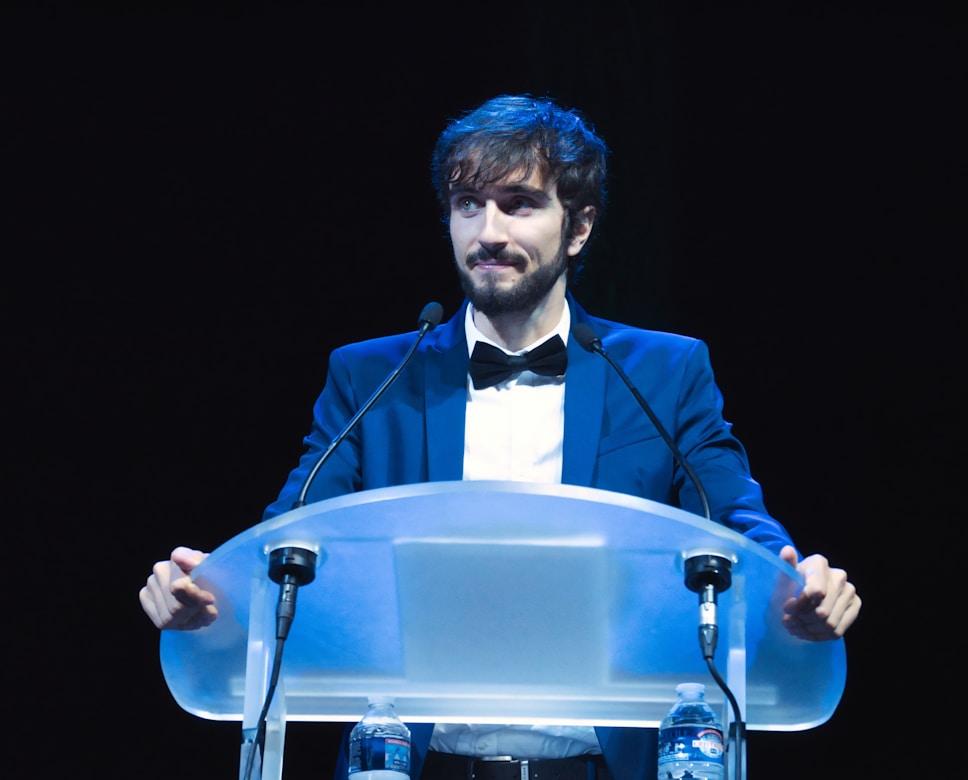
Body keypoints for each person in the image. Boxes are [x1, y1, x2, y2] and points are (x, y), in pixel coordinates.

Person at [140, 94, 861, 780]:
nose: (488, 233)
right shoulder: (371, 378)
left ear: (577, 228)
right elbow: (288, 538)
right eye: (467, 205)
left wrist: (799, 585)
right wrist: (208, 588)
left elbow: (736, 516)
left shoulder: (665, 372)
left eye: (519, 205)